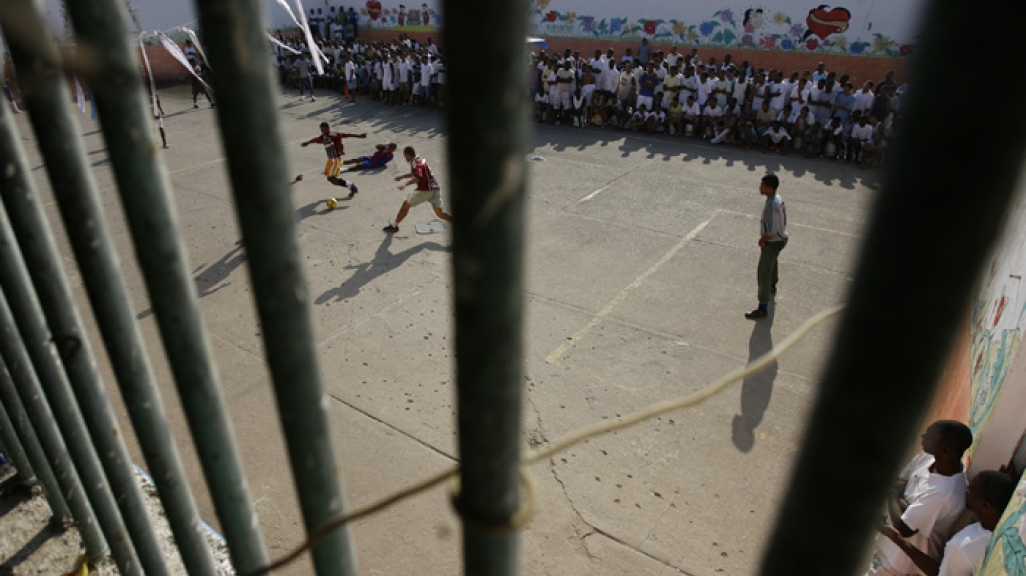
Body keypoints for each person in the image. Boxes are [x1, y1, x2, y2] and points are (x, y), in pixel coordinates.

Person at [867, 420, 974, 576]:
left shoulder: (945, 493)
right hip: (886, 552)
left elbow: (903, 527)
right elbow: (900, 483)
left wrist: (893, 494)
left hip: (899, 566)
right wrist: (899, 500)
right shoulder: (928, 458)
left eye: (930, 436)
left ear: (945, 450)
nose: (923, 436)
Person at [878, 470, 1015, 576]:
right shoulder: (1009, 527)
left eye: (972, 489)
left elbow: (939, 573)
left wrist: (897, 539)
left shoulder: (964, 546)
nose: (966, 490)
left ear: (987, 505)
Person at [745, 174, 787, 320]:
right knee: (773, 262)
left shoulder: (771, 205)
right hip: (781, 239)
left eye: (762, 185)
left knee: (763, 272)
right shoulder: (777, 199)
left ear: (769, 188)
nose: (760, 187)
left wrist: (763, 239)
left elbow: (773, 229)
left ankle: (762, 307)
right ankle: (773, 285)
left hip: (773, 241)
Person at [383, 146, 452, 233]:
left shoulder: (415, 163)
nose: (405, 158)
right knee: (440, 214)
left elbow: (418, 177)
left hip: (425, 191)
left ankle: (394, 226)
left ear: (408, 155)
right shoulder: (420, 158)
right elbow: (415, 173)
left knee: (405, 206)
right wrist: (402, 177)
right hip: (435, 188)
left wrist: (405, 184)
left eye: (405, 156)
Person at [301, 122, 366, 183]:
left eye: (324, 129)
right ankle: (350, 185)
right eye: (321, 130)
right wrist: (307, 143)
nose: (322, 131)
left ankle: (351, 186)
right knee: (330, 178)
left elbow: (345, 135)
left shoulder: (333, 134)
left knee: (331, 178)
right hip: (331, 159)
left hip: (336, 158)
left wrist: (359, 136)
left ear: (328, 128)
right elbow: (315, 140)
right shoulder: (323, 137)